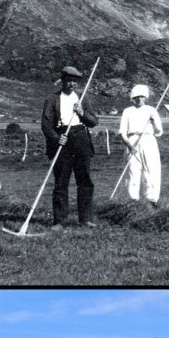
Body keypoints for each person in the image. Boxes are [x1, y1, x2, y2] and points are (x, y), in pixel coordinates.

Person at [41, 64, 99, 230]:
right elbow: (46, 124)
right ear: (63, 80)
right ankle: (59, 221)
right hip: (62, 141)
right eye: (69, 80)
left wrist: (82, 113)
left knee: (85, 180)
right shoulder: (52, 99)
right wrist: (56, 138)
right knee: (61, 181)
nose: (72, 84)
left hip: (81, 139)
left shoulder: (82, 98)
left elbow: (94, 122)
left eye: (75, 81)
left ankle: (86, 219)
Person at [118, 84, 163, 205]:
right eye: (136, 97)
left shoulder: (151, 110)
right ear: (133, 98)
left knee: (151, 169)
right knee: (132, 170)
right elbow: (122, 131)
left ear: (146, 98)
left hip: (148, 141)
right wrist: (129, 145)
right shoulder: (127, 111)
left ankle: (152, 201)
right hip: (132, 140)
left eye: (142, 97)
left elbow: (159, 131)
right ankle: (133, 200)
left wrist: (153, 122)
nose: (139, 99)